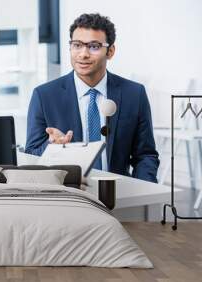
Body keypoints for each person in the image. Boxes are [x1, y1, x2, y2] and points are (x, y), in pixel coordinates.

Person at [25, 13, 159, 183]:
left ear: (110, 51)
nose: (83, 54)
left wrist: (145, 193)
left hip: (118, 193)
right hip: (68, 194)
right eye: (77, 45)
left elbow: (145, 155)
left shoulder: (134, 94)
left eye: (94, 46)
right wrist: (52, 147)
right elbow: (30, 156)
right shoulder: (44, 96)